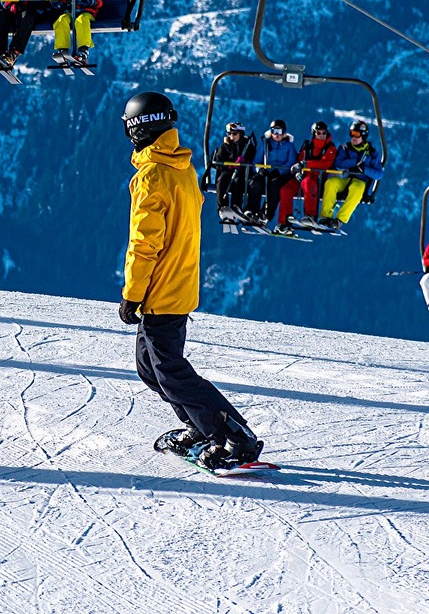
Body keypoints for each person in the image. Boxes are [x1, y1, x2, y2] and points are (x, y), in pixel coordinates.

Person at [118, 91, 264, 470]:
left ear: (137, 129)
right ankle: (201, 427)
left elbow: (144, 243)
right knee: (150, 368)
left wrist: (132, 294)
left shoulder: (152, 175)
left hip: (160, 289)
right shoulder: (182, 168)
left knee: (170, 371)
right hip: (179, 283)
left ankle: (233, 434)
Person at [318, 120, 382, 230]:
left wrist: (364, 169)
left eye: (357, 134)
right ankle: (326, 216)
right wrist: (354, 162)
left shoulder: (371, 153)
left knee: (357, 189)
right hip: (344, 178)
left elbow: (378, 174)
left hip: (360, 180)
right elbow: (338, 163)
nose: (354, 137)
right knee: (331, 183)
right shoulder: (345, 148)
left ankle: (339, 220)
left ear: (364, 135)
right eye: (352, 133)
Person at [241, 120, 298, 230]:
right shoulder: (266, 144)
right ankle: (251, 210)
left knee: (274, 185)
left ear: (284, 133)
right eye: (274, 131)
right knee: (256, 182)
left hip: (281, 174)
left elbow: (292, 162)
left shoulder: (289, 146)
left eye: (279, 131)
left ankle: (266, 213)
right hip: (266, 172)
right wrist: (260, 169)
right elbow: (256, 161)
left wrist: (281, 171)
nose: (277, 134)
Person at [284, 120, 336, 230]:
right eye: (319, 133)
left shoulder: (330, 148)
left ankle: (310, 215)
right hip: (303, 177)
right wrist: (298, 172)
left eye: (324, 133)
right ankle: (284, 221)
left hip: (318, 178)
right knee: (286, 189)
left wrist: (305, 164)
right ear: (314, 133)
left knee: (308, 183)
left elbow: (325, 164)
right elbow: (299, 160)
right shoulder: (307, 147)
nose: (321, 135)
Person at [211, 122, 255, 213]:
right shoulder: (225, 146)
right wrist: (229, 166)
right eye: (229, 134)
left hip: (242, 174)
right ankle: (222, 208)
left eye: (234, 134)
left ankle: (236, 207)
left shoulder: (248, 147)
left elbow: (254, 161)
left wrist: (244, 163)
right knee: (222, 182)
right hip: (228, 172)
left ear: (241, 134)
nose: (232, 136)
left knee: (238, 182)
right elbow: (218, 161)